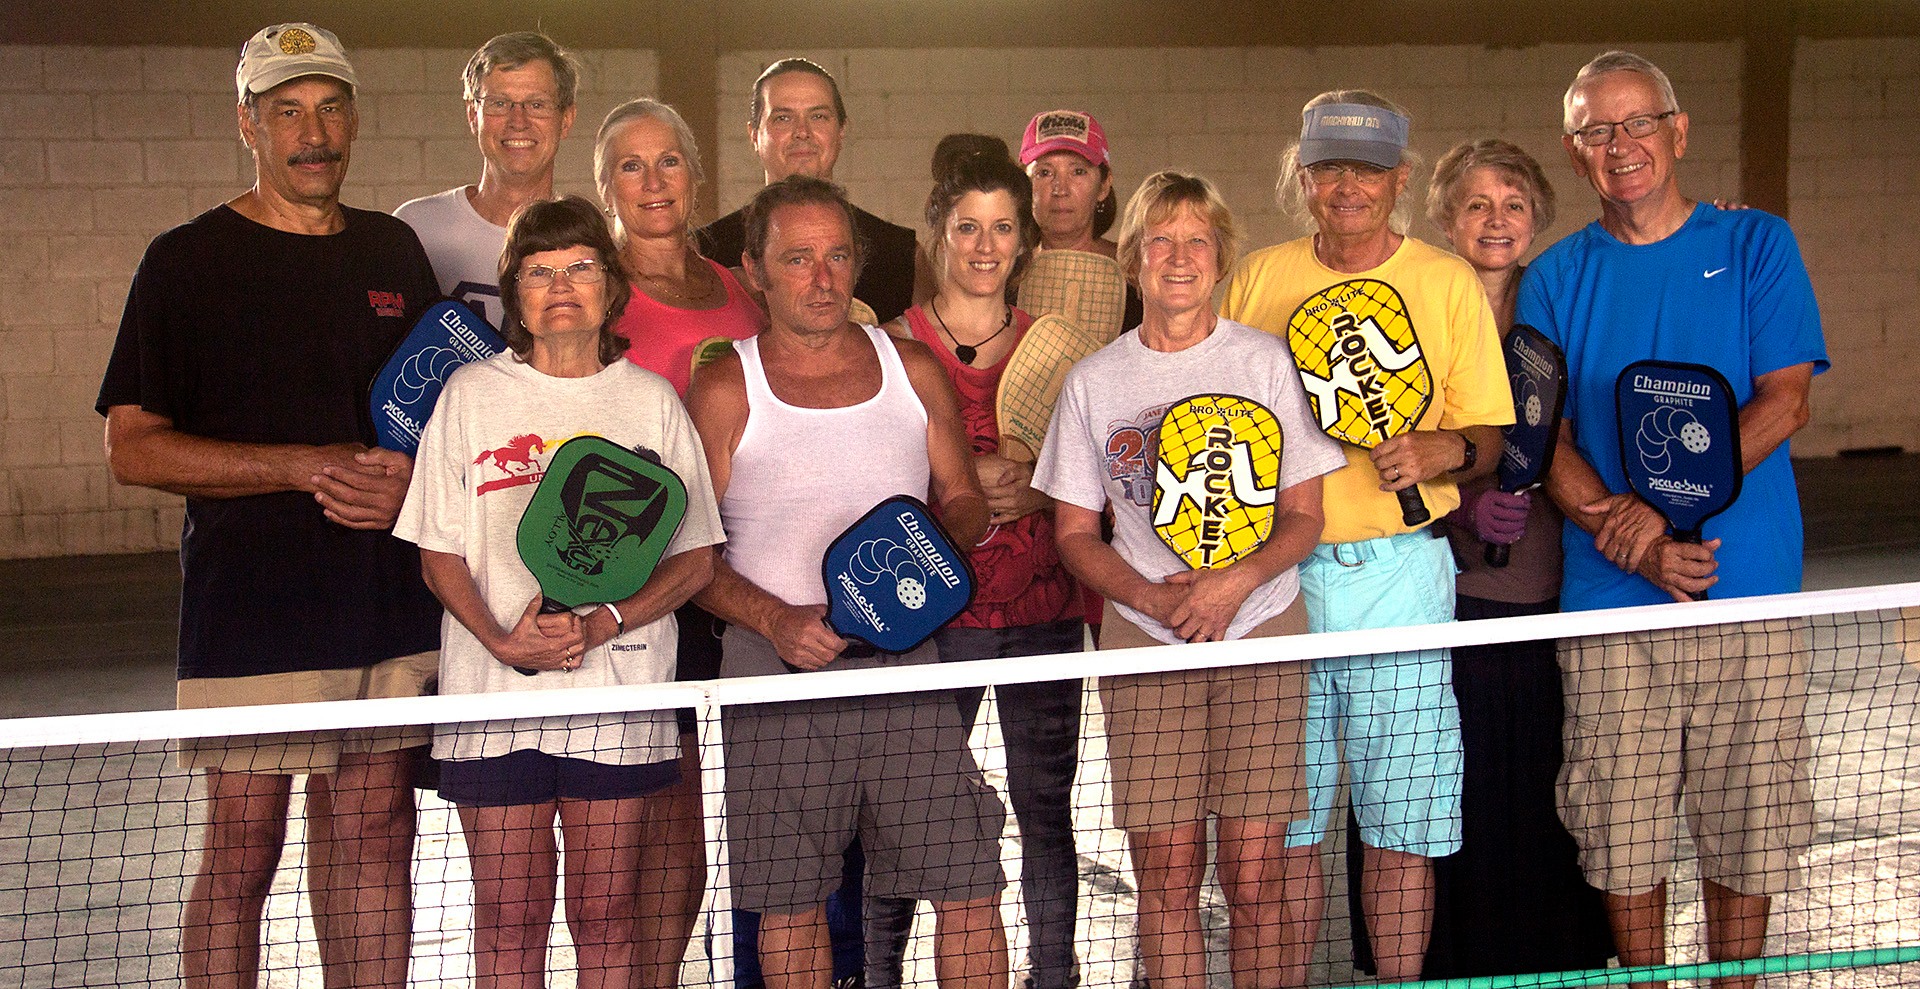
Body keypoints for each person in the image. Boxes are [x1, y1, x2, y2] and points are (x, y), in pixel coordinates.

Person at [96, 24, 441, 989]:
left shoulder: (392, 248)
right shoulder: (184, 262)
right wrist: (299, 466)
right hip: (249, 611)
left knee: (376, 832)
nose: (312, 132)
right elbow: (133, 447)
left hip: (386, 599)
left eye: (330, 108)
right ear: (247, 124)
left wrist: (411, 477)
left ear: (356, 120)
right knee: (243, 849)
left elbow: (439, 411)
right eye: (287, 111)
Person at [1519, 51, 1827, 989]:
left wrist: (1661, 508)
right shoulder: (1555, 277)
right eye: (1597, 131)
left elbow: (1784, 402)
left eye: (1639, 122)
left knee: (1752, 825)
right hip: (1613, 601)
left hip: (1751, 588)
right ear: (1576, 154)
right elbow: (1546, 438)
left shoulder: (1759, 246)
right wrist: (1642, 542)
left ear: (1678, 130)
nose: (1623, 146)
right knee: (1622, 828)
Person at [1219, 91, 1513, 985]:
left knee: (1401, 828)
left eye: (1370, 169)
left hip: (1402, 577)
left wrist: (1445, 448)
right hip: (1280, 585)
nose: (1350, 186)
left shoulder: (1445, 279)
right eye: (1331, 168)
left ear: (1402, 178)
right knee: (1291, 832)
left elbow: (1490, 439)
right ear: (1304, 176)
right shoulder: (1257, 279)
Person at [685, 176, 1008, 989]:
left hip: (908, 665)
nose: (823, 277)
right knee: (792, 904)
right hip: (775, 675)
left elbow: (965, 499)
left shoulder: (913, 370)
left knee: (970, 887)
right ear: (755, 269)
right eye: (799, 258)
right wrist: (776, 618)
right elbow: (686, 556)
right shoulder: (728, 387)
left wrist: (927, 547)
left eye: (837, 256)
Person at [395, 195, 723, 989]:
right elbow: (438, 552)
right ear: (515, 295)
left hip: (619, 696)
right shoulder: (470, 395)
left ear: (611, 288)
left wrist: (609, 621)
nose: (561, 284)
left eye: (579, 266)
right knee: (508, 924)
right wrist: (502, 637)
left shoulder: (651, 401)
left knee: (608, 920)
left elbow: (697, 561)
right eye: (539, 271)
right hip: (490, 699)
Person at [1034, 171, 1347, 989]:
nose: (1179, 257)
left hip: (1261, 627)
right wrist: (1154, 597)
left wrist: (1230, 584)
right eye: (1161, 240)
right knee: (1167, 876)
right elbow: (1074, 533)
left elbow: (1305, 518)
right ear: (1134, 257)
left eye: (1197, 240)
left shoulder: (1265, 361)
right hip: (1146, 639)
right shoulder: (1094, 382)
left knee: (1255, 876)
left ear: (1220, 258)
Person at [864, 145, 1083, 989]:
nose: (984, 245)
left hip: (1044, 609)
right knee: (906, 814)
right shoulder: (887, 345)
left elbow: (1096, 473)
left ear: (1023, 241)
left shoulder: (1058, 347)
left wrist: (1041, 490)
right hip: (929, 618)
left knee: (1046, 815)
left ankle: (1053, 974)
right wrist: (945, 492)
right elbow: (864, 475)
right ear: (935, 233)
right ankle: (881, 974)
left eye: (1001, 228)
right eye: (967, 227)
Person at [1420, 139, 1615, 979]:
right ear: (1444, 218)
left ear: (1538, 218)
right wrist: (1462, 503)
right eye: (1475, 205)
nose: (1495, 221)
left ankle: (1546, 958)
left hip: (1541, 590)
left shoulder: (1560, 308)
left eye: (1512, 204)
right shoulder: (1418, 313)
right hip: (1440, 593)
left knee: (1537, 785)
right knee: (1449, 790)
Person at [593, 96, 769, 977]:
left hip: (737, 576)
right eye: (632, 164)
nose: (654, 181)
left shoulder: (743, 291)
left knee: (716, 816)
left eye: (669, 161)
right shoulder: (595, 293)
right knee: (654, 811)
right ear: (605, 184)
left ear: (698, 177)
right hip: (644, 577)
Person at [698, 58, 920, 323]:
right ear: (754, 135)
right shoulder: (704, 253)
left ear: (841, 131)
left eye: (818, 116)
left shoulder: (902, 254)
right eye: (783, 118)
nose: (802, 132)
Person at [395, 31, 579, 328]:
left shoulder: (587, 243)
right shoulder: (415, 228)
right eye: (499, 103)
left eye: (537, 105)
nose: (518, 121)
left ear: (566, 120)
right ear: (472, 114)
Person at [1018, 109, 1145, 331]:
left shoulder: (1137, 274)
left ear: (1104, 185)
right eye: (1044, 173)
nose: (1060, 189)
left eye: (1078, 171)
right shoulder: (1004, 276)